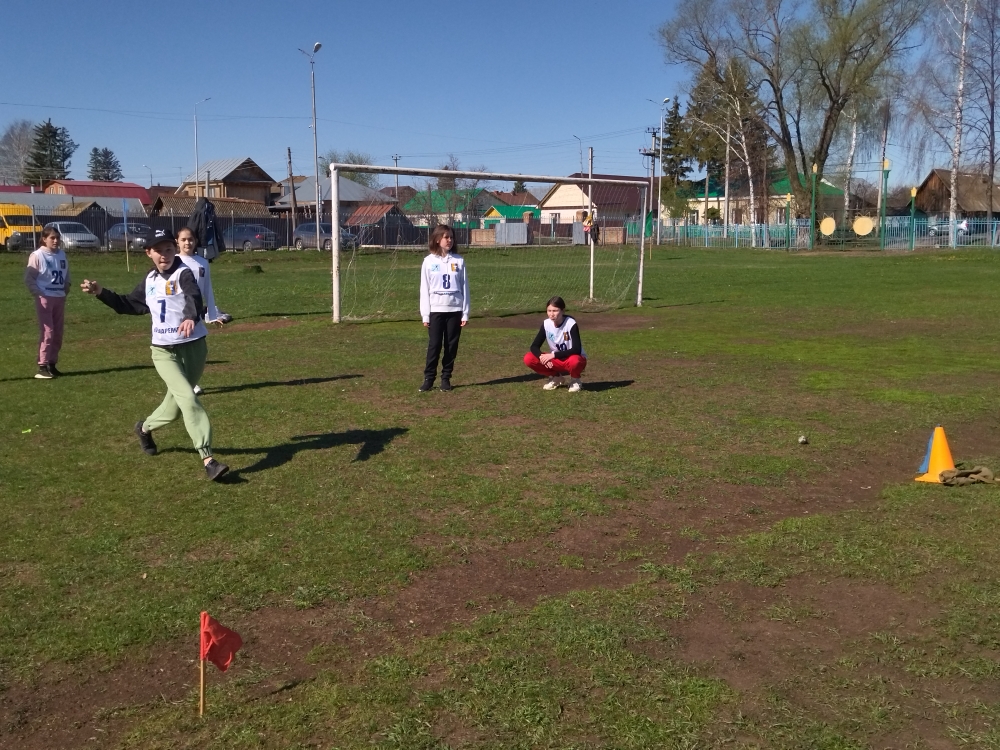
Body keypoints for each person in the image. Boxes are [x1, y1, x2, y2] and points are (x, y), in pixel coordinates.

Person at [79, 228, 229, 481]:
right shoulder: (149, 279)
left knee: (174, 410)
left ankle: (144, 427)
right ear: (148, 253)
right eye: (158, 250)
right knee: (188, 399)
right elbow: (129, 304)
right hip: (163, 352)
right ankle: (209, 460)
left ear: (175, 250)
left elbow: (193, 296)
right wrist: (101, 292)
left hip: (194, 347)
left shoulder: (184, 273)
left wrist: (190, 317)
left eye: (168, 249)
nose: (164, 255)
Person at [419, 224, 469, 392]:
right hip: (436, 311)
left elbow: (465, 288)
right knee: (434, 345)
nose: (449, 240)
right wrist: (426, 315)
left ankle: (446, 378)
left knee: (451, 346)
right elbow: (424, 289)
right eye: (446, 237)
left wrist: (465, 313)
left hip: (455, 311)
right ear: (437, 239)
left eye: (451, 237)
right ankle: (429, 378)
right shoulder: (428, 261)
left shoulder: (458, 261)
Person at [177, 226, 225, 396]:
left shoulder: (202, 263)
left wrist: (212, 315)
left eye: (190, 239)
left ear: (196, 241)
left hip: (195, 313)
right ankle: (184, 383)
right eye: (183, 240)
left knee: (196, 350)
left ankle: (191, 382)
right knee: (180, 348)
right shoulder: (174, 261)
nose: (187, 243)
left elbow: (207, 289)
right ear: (177, 242)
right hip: (177, 312)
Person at [25, 227, 70, 379]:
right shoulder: (37, 255)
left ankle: (52, 363)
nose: (56, 241)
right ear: (44, 239)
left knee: (58, 332)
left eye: (57, 237)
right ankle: (42, 366)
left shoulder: (61, 255)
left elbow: (66, 274)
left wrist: (67, 287)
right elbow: (29, 278)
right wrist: (38, 293)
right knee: (47, 332)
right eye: (52, 238)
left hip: (59, 297)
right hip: (45, 298)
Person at [523, 296, 587, 392]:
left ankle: (575, 380)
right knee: (529, 358)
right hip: (556, 360)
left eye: (555, 311)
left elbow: (576, 349)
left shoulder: (570, 323)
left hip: (572, 359)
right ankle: (556, 377)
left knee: (575, 361)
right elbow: (534, 346)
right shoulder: (546, 324)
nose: (551, 314)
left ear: (563, 311)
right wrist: (541, 357)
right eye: (549, 311)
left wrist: (553, 355)